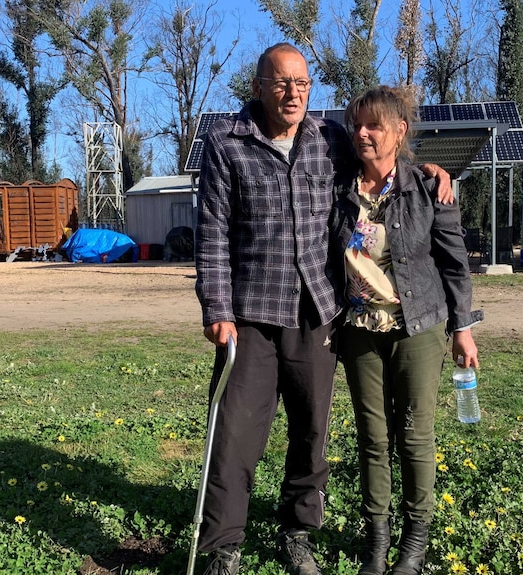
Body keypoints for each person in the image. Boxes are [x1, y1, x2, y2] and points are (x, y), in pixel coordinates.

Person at [193, 43, 452, 575]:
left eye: (303, 84)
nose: (293, 93)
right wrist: (216, 307)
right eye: (282, 83)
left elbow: (380, 162)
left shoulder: (329, 138)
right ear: (259, 86)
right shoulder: (226, 142)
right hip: (251, 313)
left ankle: (298, 532)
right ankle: (223, 546)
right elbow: (212, 233)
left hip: (318, 312)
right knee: (236, 433)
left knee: (312, 433)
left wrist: (426, 171)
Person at [330, 86, 483, 575]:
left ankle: (413, 545)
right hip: (359, 331)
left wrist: (463, 328)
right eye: (358, 124)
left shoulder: (427, 187)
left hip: (419, 327)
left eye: (374, 125)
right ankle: (377, 542)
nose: (362, 133)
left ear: (400, 131)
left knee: (415, 436)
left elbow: (455, 264)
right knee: (372, 439)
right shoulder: (339, 189)